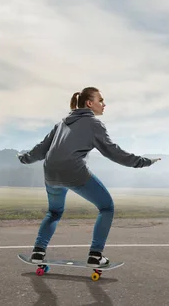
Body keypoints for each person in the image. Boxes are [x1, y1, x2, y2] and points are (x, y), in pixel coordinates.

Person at [17, 87, 161, 267]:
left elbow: (41, 149)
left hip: (51, 172)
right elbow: (113, 152)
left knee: (54, 212)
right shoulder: (94, 124)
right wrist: (144, 162)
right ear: (89, 103)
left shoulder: (61, 123)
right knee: (106, 207)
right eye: (101, 100)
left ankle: (38, 252)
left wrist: (24, 158)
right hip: (74, 171)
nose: (104, 104)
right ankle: (95, 255)